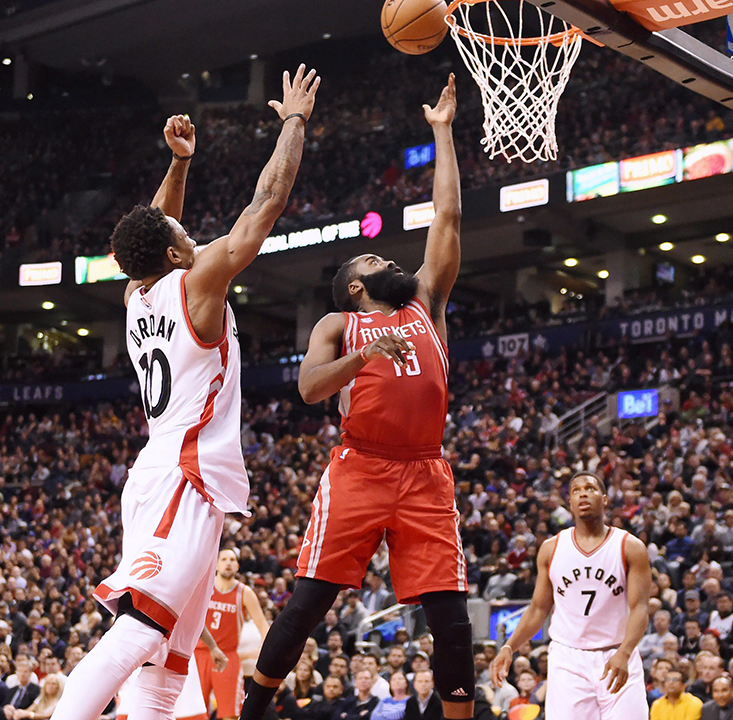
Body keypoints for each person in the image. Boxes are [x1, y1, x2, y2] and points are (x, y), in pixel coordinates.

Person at [52, 64, 319, 720]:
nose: (193, 237)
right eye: (185, 238)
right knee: (143, 631)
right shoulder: (198, 282)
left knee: (168, 661)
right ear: (177, 256)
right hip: (184, 478)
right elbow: (266, 204)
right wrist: (294, 121)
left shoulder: (137, 292)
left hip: (164, 474)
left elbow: (153, 230)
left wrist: (179, 165)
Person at [239, 74, 473, 720]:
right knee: (309, 603)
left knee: (450, 621)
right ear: (354, 289)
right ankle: (251, 710)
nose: (385, 261)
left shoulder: (426, 302)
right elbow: (311, 388)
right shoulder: (340, 326)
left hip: (427, 470)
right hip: (361, 468)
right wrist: (366, 355)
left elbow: (447, 217)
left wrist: (444, 132)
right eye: (372, 261)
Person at [490, 472, 652, 720]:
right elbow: (537, 609)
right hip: (568, 658)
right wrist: (510, 646)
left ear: (605, 499)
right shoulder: (551, 548)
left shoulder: (630, 547)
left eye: (590, 488)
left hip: (617, 653)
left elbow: (640, 608)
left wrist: (625, 652)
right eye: (576, 490)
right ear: (570, 504)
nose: (583, 493)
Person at [195, 548, 269, 720]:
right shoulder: (203, 586)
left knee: (231, 714)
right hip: (198, 654)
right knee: (194, 712)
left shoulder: (245, 592)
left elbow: (263, 626)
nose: (228, 563)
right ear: (216, 564)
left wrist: (267, 653)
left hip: (228, 656)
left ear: (237, 566)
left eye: (232, 560)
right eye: (224, 559)